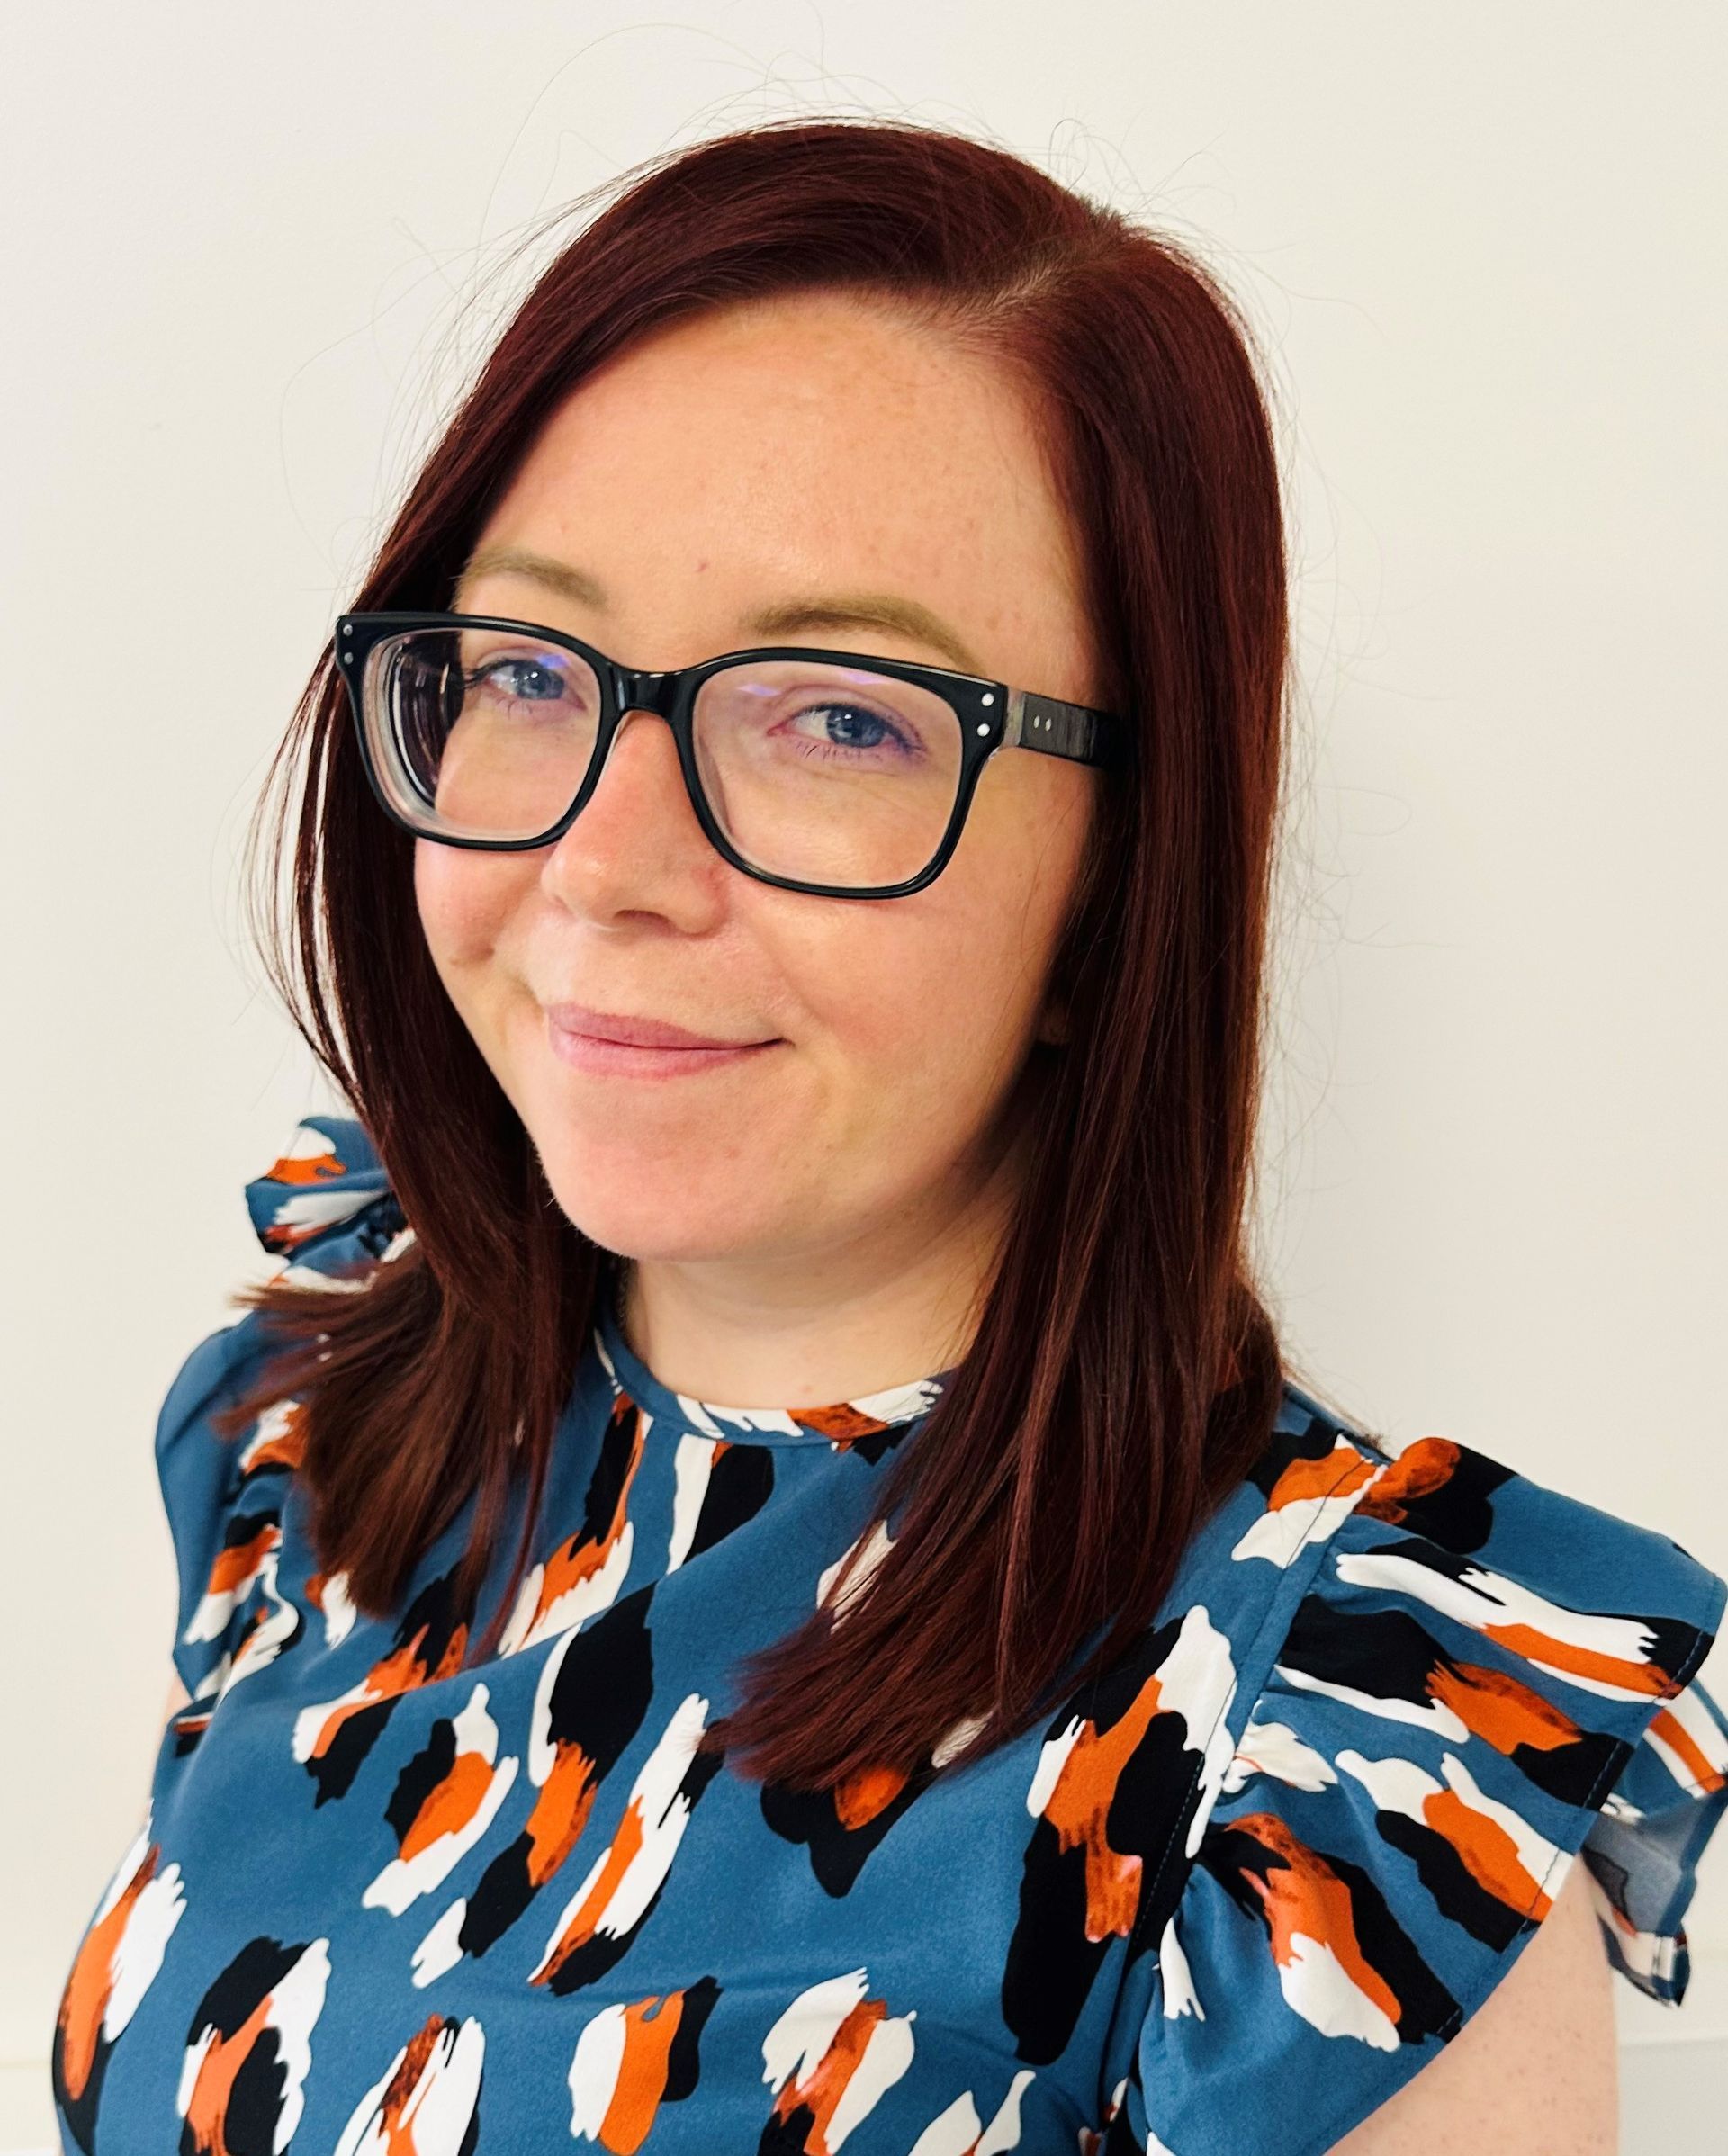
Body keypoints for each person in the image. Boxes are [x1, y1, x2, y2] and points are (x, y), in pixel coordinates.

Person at [51, 116, 1727, 2155]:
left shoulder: (1337, 1772)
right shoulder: (309, 1432)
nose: (603, 860)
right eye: (520, 665)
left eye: (841, 714)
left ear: (1125, 874)